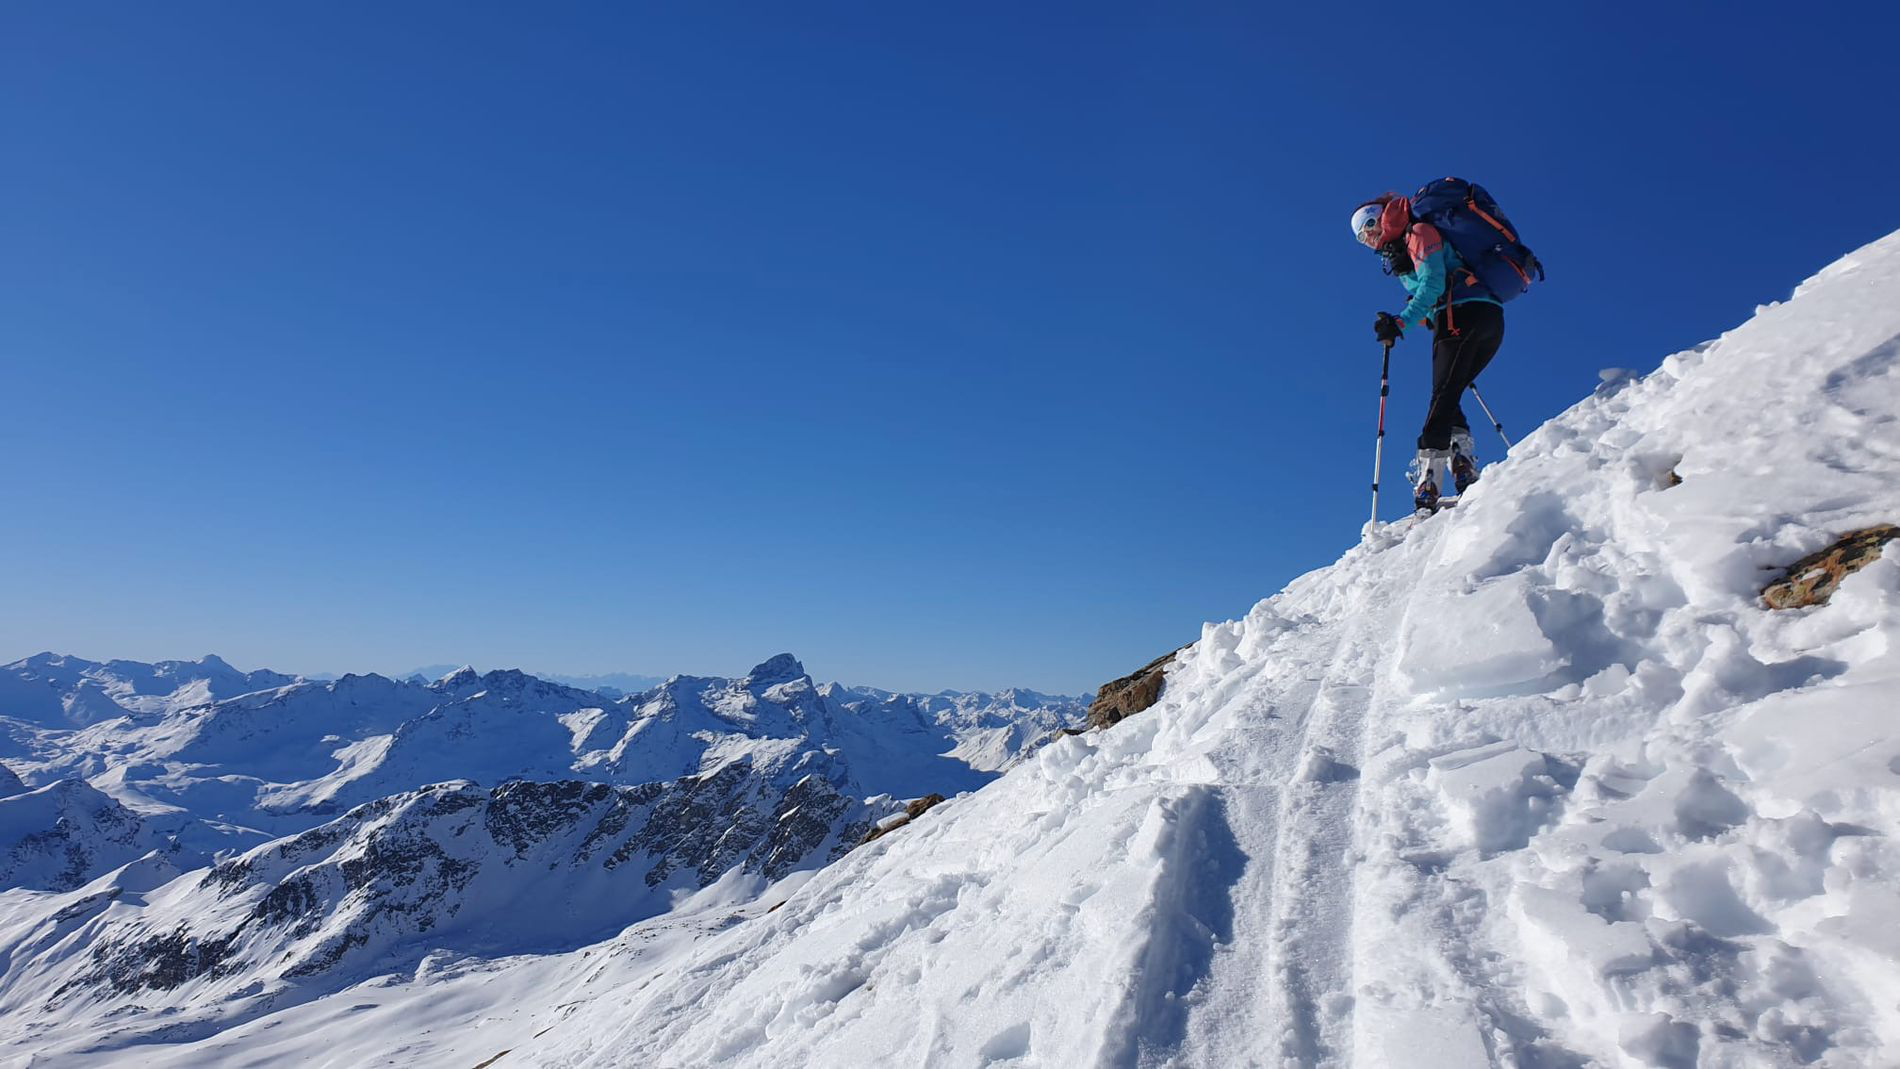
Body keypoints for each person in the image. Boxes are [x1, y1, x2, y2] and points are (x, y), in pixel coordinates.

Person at [1350, 194, 1504, 510]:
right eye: (1362, 240)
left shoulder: (1419, 233)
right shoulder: (1403, 250)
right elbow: (1431, 289)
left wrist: (1400, 322)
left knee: (1444, 393)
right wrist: (1416, 314)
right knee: (1449, 393)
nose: (1369, 241)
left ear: (1379, 220)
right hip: (1479, 317)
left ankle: (1429, 477)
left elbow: (1433, 285)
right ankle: (1460, 458)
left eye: (1368, 230)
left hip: (1462, 315)